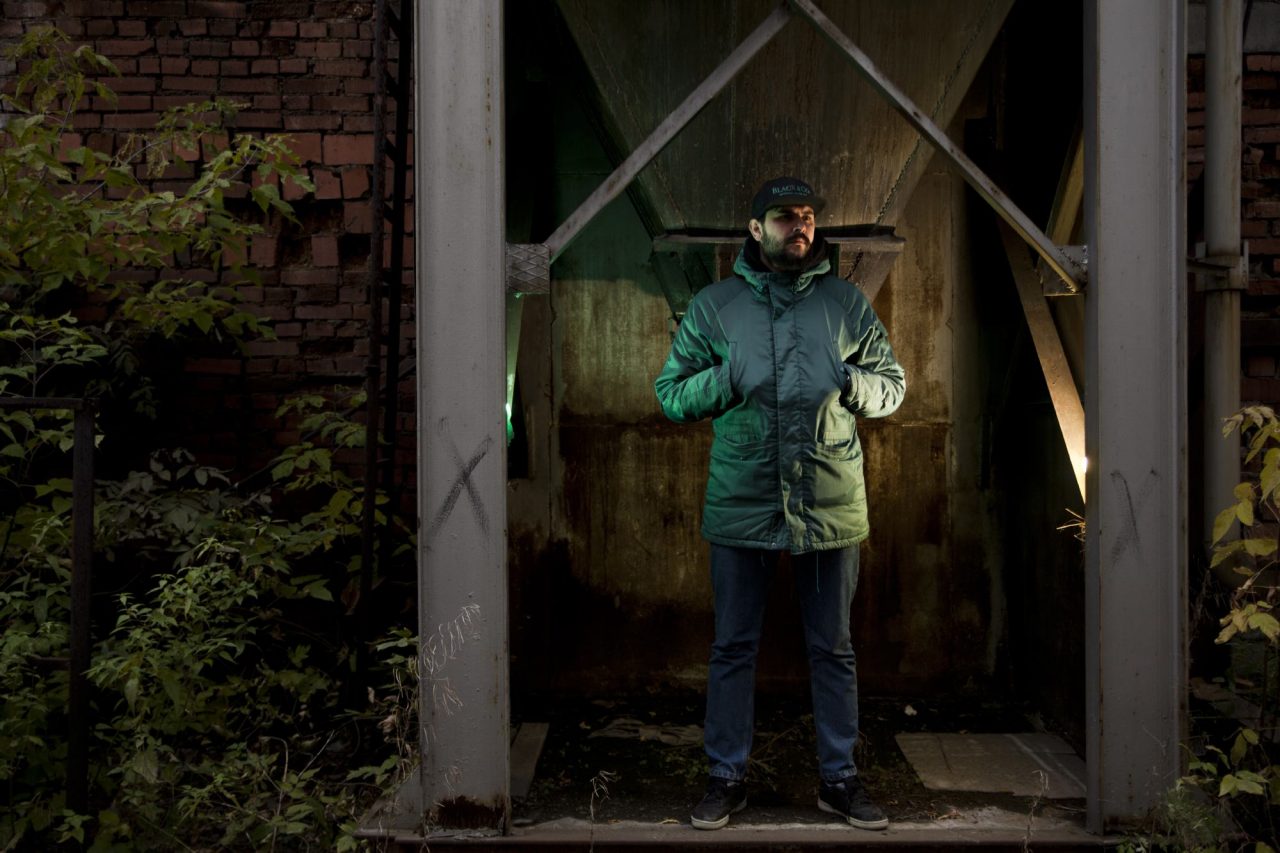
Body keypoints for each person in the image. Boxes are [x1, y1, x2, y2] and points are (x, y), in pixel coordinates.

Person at [654, 176, 905, 831]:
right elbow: (671, 393)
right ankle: (725, 777)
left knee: (834, 647)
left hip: (829, 502)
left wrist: (849, 382)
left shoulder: (845, 303)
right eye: (785, 216)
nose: (800, 226)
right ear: (755, 228)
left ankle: (840, 778)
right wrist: (725, 378)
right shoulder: (716, 306)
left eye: (808, 216)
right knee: (734, 646)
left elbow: (893, 386)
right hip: (743, 501)